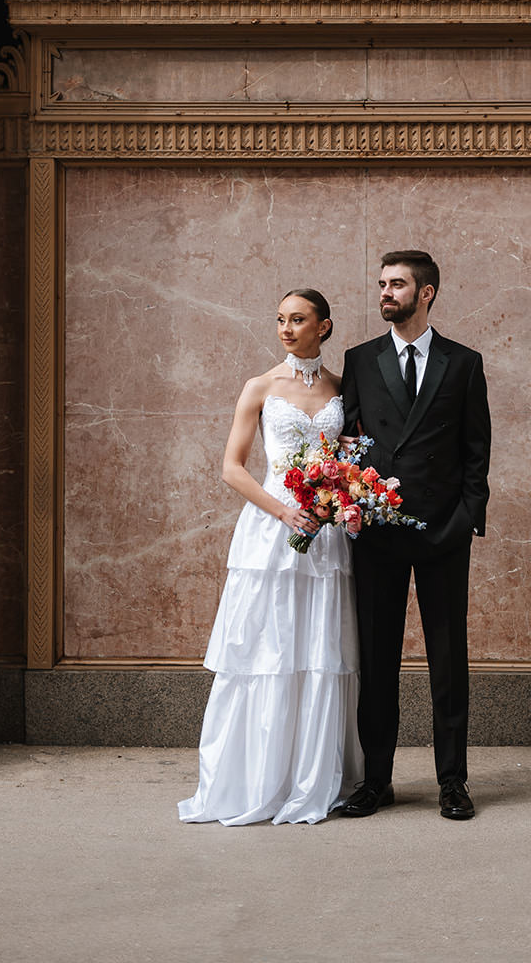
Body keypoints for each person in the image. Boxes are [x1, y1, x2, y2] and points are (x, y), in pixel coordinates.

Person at [178, 289, 362, 826]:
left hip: (324, 533)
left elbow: (350, 456)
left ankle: (313, 778)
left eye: (298, 320)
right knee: (266, 648)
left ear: (323, 328)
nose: (285, 328)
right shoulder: (259, 386)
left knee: (320, 651)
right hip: (272, 529)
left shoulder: (341, 389)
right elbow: (232, 468)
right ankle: (255, 778)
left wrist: (338, 500)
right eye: (280, 319)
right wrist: (283, 512)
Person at [339, 250, 491, 821]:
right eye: (381, 283)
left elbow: (477, 452)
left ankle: (453, 781)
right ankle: (377, 780)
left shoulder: (464, 363)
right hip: (377, 533)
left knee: (449, 662)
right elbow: (347, 444)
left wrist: (464, 521)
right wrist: (354, 507)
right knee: (377, 662)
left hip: (442, 534)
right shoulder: (359, 359)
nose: (385, 292)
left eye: (397, 284)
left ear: (425, 293)